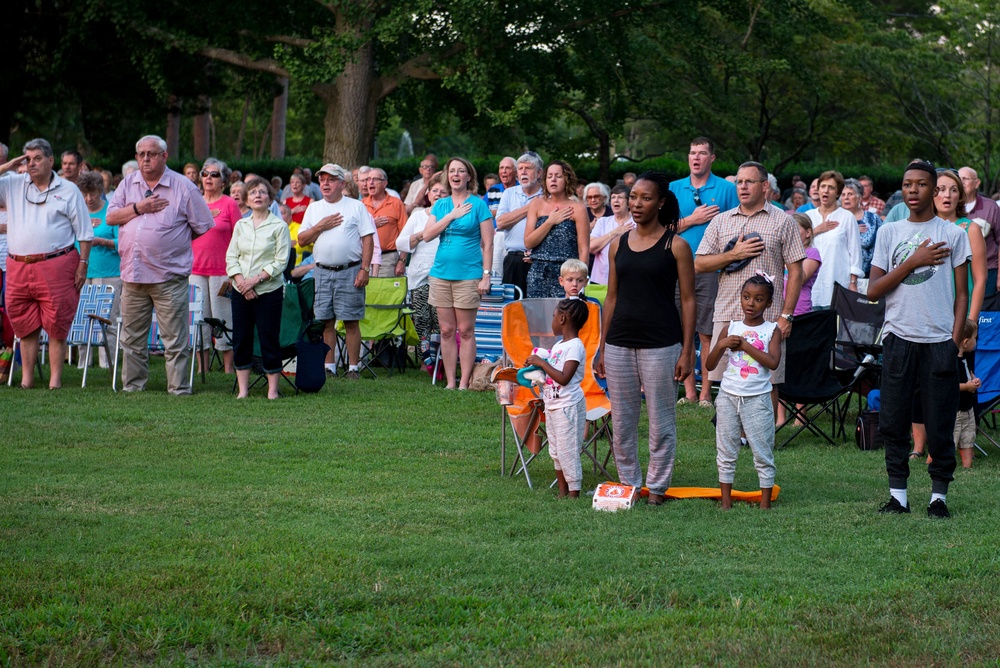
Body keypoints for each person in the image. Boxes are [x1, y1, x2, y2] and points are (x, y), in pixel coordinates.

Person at [868, 159, 970, 519]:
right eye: (908, 184)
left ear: (935, 189)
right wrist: (913, 261)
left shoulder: (954, 235)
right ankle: (899, 496)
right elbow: (873, 291)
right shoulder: (889, 232)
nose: (913, 190)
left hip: (939, 342)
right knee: (893, 421)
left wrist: (954, 341)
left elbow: (961, 294)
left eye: (922, 184)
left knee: (940, 421)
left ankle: (938, 497)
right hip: (899, 339)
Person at [595, 172, 695, 506]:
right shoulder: (617, 244)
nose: (637, 204)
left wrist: (687, 350)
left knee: (660, 420)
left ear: (661, 202)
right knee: (622, 421)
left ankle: (658, 488)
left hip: (662, 344)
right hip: (619, 342)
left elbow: (689, 300)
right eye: (633, 197)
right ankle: (629, 486)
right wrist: (601, 347)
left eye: (646, 198)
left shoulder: (676, 246)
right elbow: (610, 298)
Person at [107, 135, 215, 395]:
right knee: (131, 337)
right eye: (141, 153)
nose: (145, 158)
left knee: (174, 338)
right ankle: (133, 386)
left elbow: (203, 225)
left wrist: (173, 244)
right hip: (133, 275)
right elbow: (111, 217)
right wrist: (138, 207)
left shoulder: (183, 186)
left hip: (168, 276)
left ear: (164, 156)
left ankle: (178, 388)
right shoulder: (127, 185)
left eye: (151, 154)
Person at [695, 161, 805, 412]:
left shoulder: (782, 221)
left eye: (749, 182)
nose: (742, 187)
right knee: (725, 379)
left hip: (767, 316)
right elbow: (700, 263)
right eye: (739, 182)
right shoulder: (721, 221)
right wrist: (734, 254)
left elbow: (796, 271)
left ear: (765, 186)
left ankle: (764, 435)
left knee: (768, 380)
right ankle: (731, 432)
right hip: (728, 312)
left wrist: (786, 315)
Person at [0, 138, 92, 389]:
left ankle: (55, 382)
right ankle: (27, 381)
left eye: (37, 158)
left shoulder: (68, 189)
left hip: (57, 264)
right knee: (25, 325)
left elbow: (84, 233)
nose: (31, 163)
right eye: (27, 159)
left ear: (51, 161)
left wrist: (83, 264)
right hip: (18, 266)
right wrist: (8, 166)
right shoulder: (12, 184)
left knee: (57, 324)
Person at [670, 137, 739, 407]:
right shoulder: (674, 188)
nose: (695, 157)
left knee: (706, 330)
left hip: (711, 268)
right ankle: (687, 391)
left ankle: (706, 392)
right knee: (679, 328)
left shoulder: (726, 188)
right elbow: (661, 230)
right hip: (677, 267)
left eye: (701, 153)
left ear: (712, 158)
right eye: (691, 153)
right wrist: (692, 220)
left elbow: (737, 227)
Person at [705, 274, 782, 510]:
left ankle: (765, 503)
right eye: (746, 297)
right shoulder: (731, 328)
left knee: (762, 449)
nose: (751, 303)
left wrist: (745, 345)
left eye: (758, 299)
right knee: (726, 449)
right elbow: (709, 365)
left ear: (768, 303)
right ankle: (725, 501)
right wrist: (720, 344)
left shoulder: (772, 330)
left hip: (757, 399)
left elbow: (772, 362)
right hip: (728, 397)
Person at [296, 163, 374, 380]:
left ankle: (353, 368)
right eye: (322, 179)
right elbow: (302, 240)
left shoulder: (356, 207)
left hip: (350, 270)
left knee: (351, 321)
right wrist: (320, 226)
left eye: (330, 179)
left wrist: (365, 270)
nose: (325, 183)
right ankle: (329, 367)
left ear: (342, 183)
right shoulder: (314, 208)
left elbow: (368, 238)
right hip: (322, 272)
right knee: (325, 321)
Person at [421, 157, 494, 389]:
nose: (456, 174)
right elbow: (427, 235)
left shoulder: (478, 205)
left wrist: (486, 275)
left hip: (469, 274)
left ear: (468, 176)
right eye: (452, 171)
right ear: (447, 175)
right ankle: (450, 382)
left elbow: (488, 243)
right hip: (441, 273)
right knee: (446, 330)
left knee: (465, 330)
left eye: (461, 171)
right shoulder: (441, 205)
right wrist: (451, 215)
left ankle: (464, 382)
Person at [226, 178, 291, 399]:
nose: (258, 195)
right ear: (246, 199)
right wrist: (242, 283)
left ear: (270, 198)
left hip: (268, 291)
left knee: (269, 338)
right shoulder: (240, 226)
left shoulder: (279, 226)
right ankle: (243, 391)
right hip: (240, 290)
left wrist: (254, 281)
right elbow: (231, 257)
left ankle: (272, 391)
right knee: (241, 338)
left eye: (262, 192)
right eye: (253, 192)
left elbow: (281, 261)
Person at [525, 298, 590, 498]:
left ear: (562, 318)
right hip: (553, 405)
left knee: (567, 450)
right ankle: (562, 491)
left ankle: (574, 491)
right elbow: (553, 375)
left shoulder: (575, 346)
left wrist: (542, 364)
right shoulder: (560, 345)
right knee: (555, 451)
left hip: (568, 406)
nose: (552, 321)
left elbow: (564, 377)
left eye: (553, 317)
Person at [192, 158, 241, 374]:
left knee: (224, 318)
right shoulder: (194, 202)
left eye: (214, 174)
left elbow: (239, 238)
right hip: (194, 271)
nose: (208, 178)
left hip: (223, 271)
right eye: (205, 174)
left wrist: (235, 271)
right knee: (198, 320)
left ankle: (228, 368)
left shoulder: (229, 204)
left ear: (224, 181)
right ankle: (202, 368)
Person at [524, 160, 590, 298]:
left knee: (564, 316)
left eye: (558, 176)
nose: (553, 180)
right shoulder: (536, 204)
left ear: (567, 179)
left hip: (567, 273)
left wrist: (580, 279)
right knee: (538, 317)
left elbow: (583, 249)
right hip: (538, 272)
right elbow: (528, 242)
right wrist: (550, 222)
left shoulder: (578, 209)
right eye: (549, 176)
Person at [395, 173, 444, 358]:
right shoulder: (417, 216)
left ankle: (441, 360)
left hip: (444, 276)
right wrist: (424, 233)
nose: (438, 194)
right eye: (435, 191)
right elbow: (400, 243)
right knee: (422, 320)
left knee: (441, 321)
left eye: (443, 192)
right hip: (420, 276)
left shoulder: (453, 217)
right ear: (428, 194)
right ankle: (425, 360)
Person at [77, 171, 121, 368]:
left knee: (107, 319)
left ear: (100, 191)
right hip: (83, 272)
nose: (88, 198)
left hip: (109, 273)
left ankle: (107, 362)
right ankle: (83, 362)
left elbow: (123, 242)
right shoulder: (78, 211)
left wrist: (103, 241)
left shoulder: (111, 212)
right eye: (84, 194)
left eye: (93, 193)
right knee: (82, 319)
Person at [935, 169, 987, 322]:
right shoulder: (922, 228)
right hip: (929, 316)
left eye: (953, 190)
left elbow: (980, 280)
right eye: (941, 189)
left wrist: (971, 321)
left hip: (960, 314)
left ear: (960, 197)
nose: (947, 195)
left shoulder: (970, 229)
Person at [806, 170, 863, 308]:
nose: (826, 191)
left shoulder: (846, 217)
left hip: (837, 282)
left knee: (834, 327)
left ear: (838, 193)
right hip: (811, 285)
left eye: (831, 187)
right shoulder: (808, 216)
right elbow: (797, 245)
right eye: (823, 186)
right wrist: (816, 230)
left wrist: (853, 282)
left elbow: (855, 252)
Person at [495, 152, 544, 295]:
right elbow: (500, 222)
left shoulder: (547, 196)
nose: (523, 172)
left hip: (538, 260)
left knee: (537, 308)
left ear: (539, 173)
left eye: (528, 168)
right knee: (512, 308)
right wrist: (530, 207)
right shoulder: (509, 193)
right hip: (513, 259)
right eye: (520, 168)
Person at [959, 166, 1000, 296]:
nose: (961, 182)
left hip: (988, 270)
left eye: (965, 179)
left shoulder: (990, 207)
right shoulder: (949, 206)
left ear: (977, 183)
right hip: (959, 271)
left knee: (986, 314)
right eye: (958, 179)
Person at [362, 168, 407, 277]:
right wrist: (372, 224)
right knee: (366, 293)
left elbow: (405, 234)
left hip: (388, 258)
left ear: (384, 183)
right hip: (364, 259)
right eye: (368, 179)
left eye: (375, 179)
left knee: (384, 292)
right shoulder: (361, 205)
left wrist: (402, 260)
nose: (370, 182)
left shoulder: (396, 203)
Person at [840, 178, 883, 291]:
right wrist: (851, 230)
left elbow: (883, 245)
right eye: (843, 194)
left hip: (868, 278)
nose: (846, 198)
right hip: (840, 277)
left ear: (859, 197)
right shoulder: (837, 220)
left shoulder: (873, 219)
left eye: (850, 194)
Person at [589, 183, 634, 284]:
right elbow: (591, 247)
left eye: (620, 197)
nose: (616, 200)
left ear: (628, 203)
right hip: (600, 281)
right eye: (613, 197)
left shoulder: (636, 224)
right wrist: (615, 232)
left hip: (627, 281)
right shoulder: (603, 221)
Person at [954, 319, 979, 470]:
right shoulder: (951, 362)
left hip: (968, 410)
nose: (976, 341)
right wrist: (967, 387)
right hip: (954, 412)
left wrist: (974, 380)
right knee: (950, 441)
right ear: (965, 342)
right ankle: (935, 461)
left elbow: (969, 373)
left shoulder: (967, 357)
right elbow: (949, 386)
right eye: (975, 338)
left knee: (968, 439)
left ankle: (967, 466)